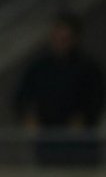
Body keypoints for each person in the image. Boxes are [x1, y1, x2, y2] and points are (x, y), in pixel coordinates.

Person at [14, 11, 105, 166]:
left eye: (65, 39)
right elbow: (20, 97)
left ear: (75, 39)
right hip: (47, 137)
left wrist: (84, 119)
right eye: (56, 37)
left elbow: (97, 99)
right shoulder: (39, 66)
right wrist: (28, 118)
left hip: (79, 140)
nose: (60, 42)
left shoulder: (88, 67)